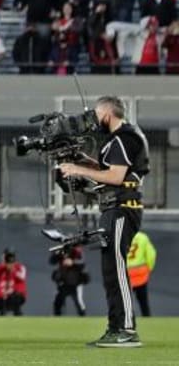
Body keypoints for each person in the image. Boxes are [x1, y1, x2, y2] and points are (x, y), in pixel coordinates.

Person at [57, 96, 148, 348]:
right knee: (110, 271)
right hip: (112, 208)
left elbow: (116, 177)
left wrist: (79, 170)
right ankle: (115, 327)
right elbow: (109, 169)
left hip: (122, 208)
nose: (94, 120)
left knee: (117, 269)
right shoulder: (119, 140)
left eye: (97, 115)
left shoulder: (124, 137)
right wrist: (84, 161)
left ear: (108, 114)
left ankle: (127, 330)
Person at [0, 249, 28, 316]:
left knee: (15, 298)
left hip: (16, 295)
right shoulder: (0, 267)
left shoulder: (20, 267)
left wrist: (12, 270)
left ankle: (18, 316)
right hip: (2, 296)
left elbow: (22, 277)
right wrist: (2, 266)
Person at [51, 244, 89, 316]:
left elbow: (82, 262)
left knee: (78, 302)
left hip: (75, 282)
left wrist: (72, 262)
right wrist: (56, 253)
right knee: (58, 302)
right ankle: (56, 320)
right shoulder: (61, 251)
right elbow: (52, 261)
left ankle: (83, 319)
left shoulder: (77, 251)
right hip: (63, 282)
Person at [126, 230, 155, 317]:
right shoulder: (143, 237)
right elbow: (151, 254)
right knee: (143, 302)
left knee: (126, 301)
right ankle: (147, 320)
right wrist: (149, 268)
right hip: (140, 273)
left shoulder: (123, 236)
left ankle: (129, 321)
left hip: (126, 272)